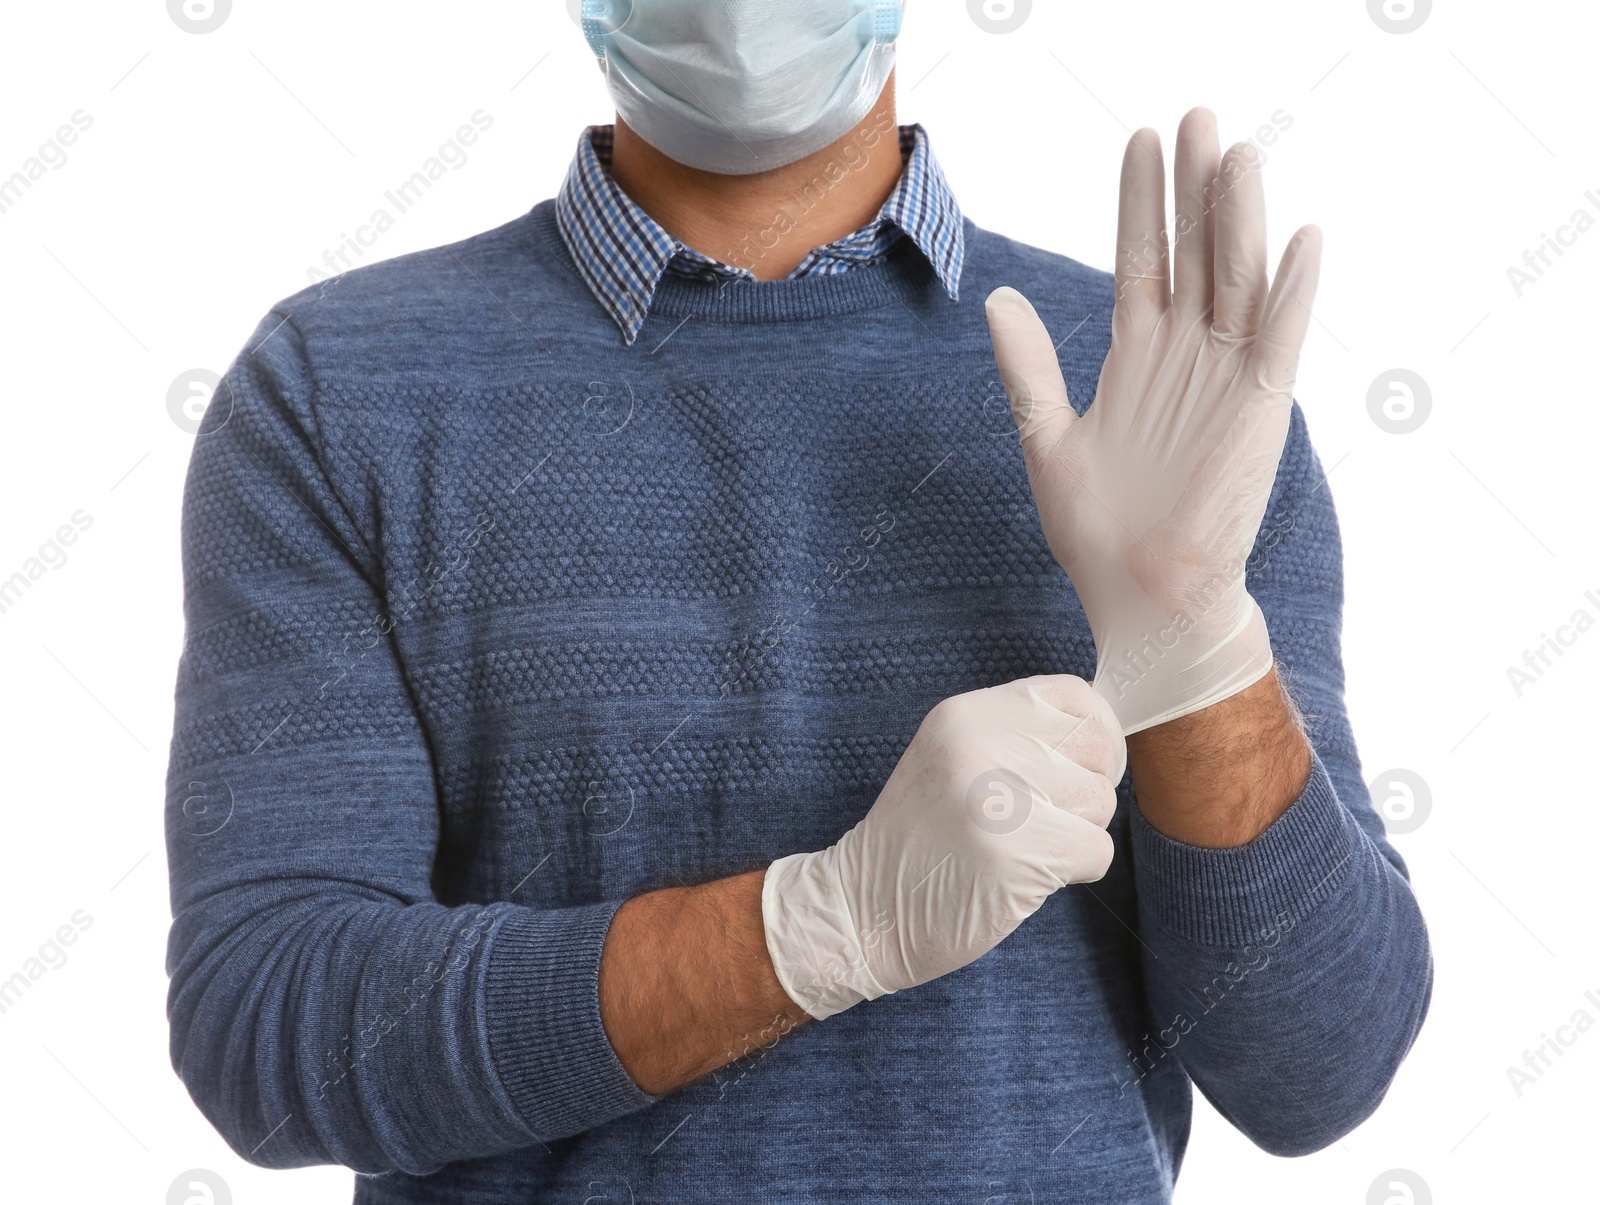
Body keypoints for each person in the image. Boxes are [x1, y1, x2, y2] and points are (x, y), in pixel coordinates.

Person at [163, 2, 1432, 1200]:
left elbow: (1317, 1071)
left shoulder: (1159, 392)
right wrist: (819, 928)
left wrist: (1191, 636)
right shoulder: (340, 395)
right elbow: (273, 1026)